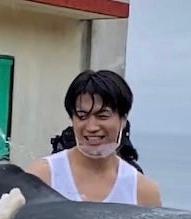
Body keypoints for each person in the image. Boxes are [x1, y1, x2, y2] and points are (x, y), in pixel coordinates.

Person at [27, 69, 162, 207]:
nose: (91, 127)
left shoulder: (143, 192)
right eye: (82, 115)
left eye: (103, 115)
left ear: (123, 119)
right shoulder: (42, 177)